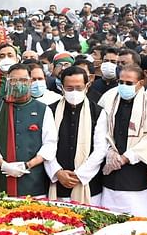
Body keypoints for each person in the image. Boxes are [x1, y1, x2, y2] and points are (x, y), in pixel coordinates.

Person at [92, 65, 147, 215]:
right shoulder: (109, 98)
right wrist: (109, 151)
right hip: (108, 169)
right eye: (121, 82)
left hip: (134, 171)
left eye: (129, 83)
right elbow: (99, 129)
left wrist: (126, 158)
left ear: (140, 83)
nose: (123, 86)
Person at [0, 63, 57, 197]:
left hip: (34, 182)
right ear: (8, 82)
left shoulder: (43, 109)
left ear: (30, 82)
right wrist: (3, 165)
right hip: (2, 178)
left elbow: (50, 144)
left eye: (23, 80)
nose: (18, 84)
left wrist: (27, 165)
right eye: (14, 80)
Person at [43, 67, 105, 204]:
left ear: (87, 87)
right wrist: (58, 172)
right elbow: (46, 146)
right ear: (62, 88)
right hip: (57, 183)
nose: (74, 92)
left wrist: (79, 175)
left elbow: (100, 149)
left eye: (79, 88)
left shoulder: (98, 112)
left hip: (88, 185)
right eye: (69, 88)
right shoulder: (50, 110)